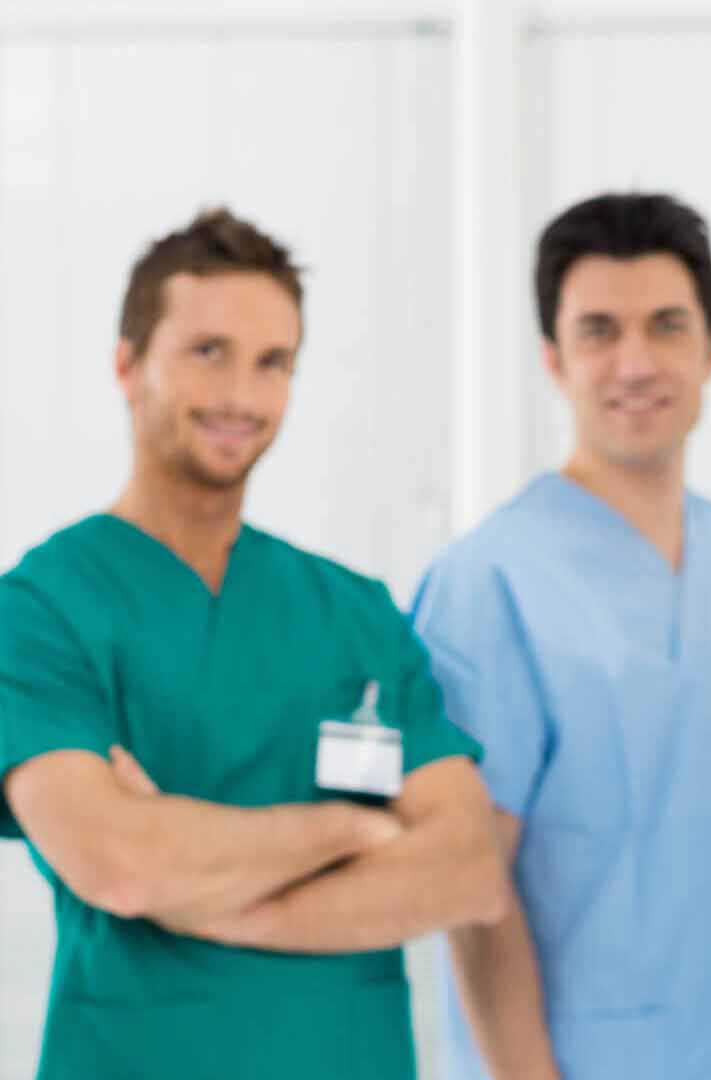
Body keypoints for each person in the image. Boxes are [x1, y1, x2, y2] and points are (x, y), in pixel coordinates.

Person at [0, 208, 508, 1080]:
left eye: (273, 363)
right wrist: (353, 829)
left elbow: (466, 870)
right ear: (127, 364)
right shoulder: (42, 609)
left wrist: (202, 897)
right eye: (209, 352)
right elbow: (119, 864)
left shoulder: (353, 612)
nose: (242, 394)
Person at [412, 192, 711, 1080]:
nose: (635, 362)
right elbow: (474, 891)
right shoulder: (489, 580)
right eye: (598, 331)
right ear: (553, 359)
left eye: (665, 325)